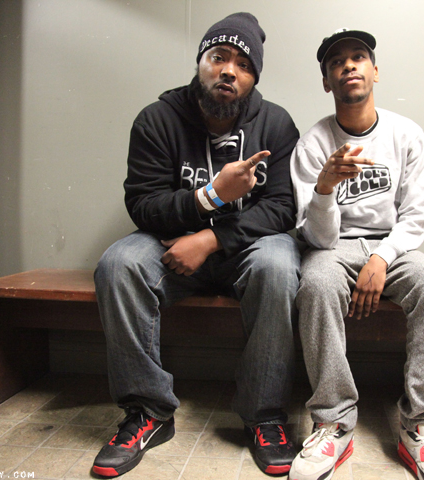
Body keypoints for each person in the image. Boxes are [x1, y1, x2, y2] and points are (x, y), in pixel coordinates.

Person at [92, 12, 300, 477]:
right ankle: (148, 411)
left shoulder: (275, 123)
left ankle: (264, 414)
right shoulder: (158, 119)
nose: (229, 70)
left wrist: (210, 238)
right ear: (201, 62)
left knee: (279, 265)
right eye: (218, 57)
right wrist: (210, 197)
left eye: (243, 65)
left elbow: (283, 207)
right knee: (119, 264)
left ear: (253, 78)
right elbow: (143, 205)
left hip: (243, 251)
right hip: (173, 248)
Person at [289, 29, 424, 480]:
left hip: (394, 243)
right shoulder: (313, 144)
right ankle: (333, 421)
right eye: (337, 62)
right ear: (326, 81)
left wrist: (382, 258)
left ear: (375, 71)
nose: (349, 65)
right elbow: (319, 239)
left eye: (359, 57)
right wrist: (324, 188)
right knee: (316, 283)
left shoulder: (406, 134)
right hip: (335, 246)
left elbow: (417, 216)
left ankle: (422, 426)